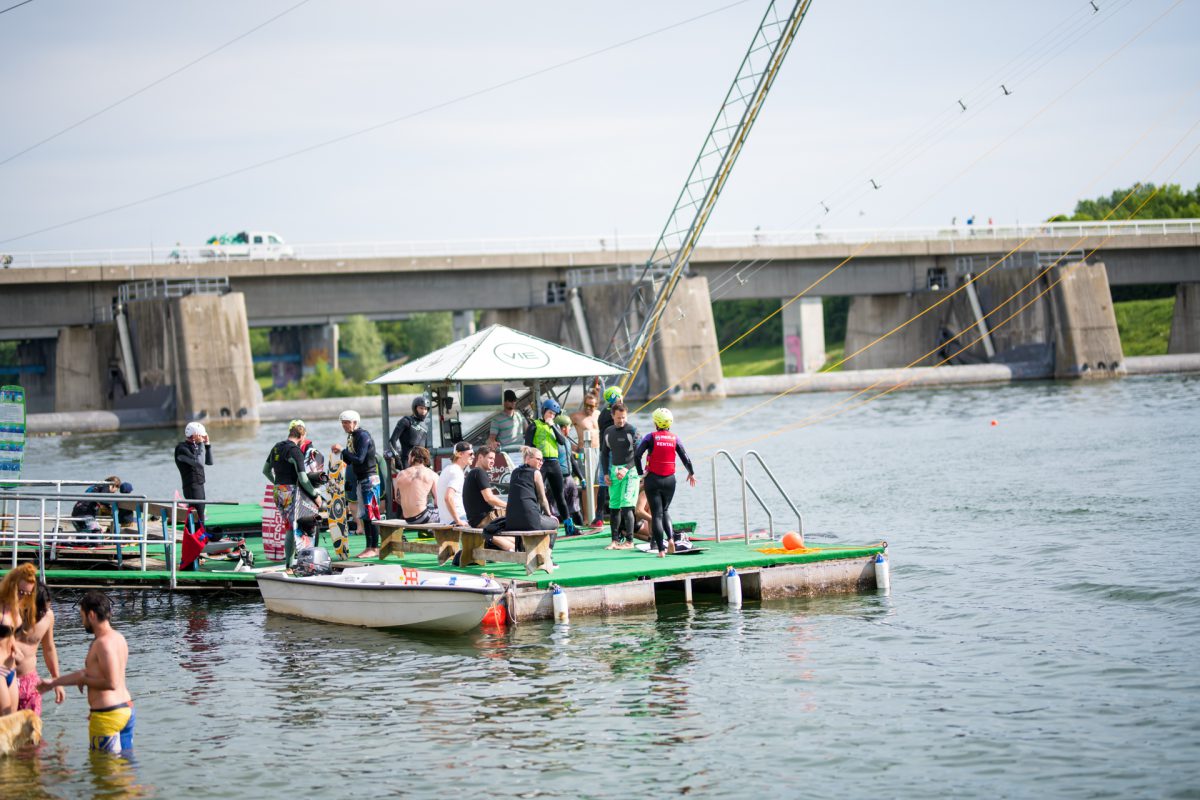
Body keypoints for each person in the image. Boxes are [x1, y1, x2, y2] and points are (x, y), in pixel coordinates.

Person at [38, 590, 134, 756]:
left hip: (108, 715)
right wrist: (54, 682)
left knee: (103, 768)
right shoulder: (119, 638)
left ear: (91, 615)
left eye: (82, 616)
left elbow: (111, 682)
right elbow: (88, 673)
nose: (82, 622)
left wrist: (84, 680)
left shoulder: (103, 643)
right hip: (125, 709)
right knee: (126, 764)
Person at [635, 408, 697, 557]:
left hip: (652, 479)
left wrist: (640, 473)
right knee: (665, 511)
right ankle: (670, 539)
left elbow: (637, 455)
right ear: (670, 423)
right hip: (670, 480)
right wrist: (691, 473)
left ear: (655, 423)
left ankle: (661, 551)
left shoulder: (650, 437)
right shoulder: (675, 438)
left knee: (656, 514)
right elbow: (686, 458)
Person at [262, 421, 321, 567]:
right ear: (301, 436)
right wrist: (315, 495)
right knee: (292, 528)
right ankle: (290, 565)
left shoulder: (276, 447)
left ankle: (291, 563)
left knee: (288, 525)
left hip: (277, 491)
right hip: (290, 492)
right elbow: (303, 478)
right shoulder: (295, 451)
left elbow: (266, 471)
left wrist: (278, 483)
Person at [13, 569, 64, 716]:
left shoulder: (48, 617)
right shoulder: (8, 616)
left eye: (44, 610)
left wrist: (56, 680)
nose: (41, 615)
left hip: (29, 683)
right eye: (39, 611)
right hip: (5, 681)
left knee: (32, 728)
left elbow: (49, 648)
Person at [332, 410, 381, 559]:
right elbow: (350, 460)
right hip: (361, 480)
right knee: (365, 516)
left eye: (347, 422)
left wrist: (343, 450)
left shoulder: (363, 436)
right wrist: (339, 454)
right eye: (343, 423)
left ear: (355, 422)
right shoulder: (352, 437)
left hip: (370, 479)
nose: (344, 425)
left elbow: (359, 459)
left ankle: (374, 548)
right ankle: (369, 547)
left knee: (371, 516)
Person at [524, 399, 570, 531]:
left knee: (560, 496)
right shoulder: (534, 425)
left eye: (554, 414)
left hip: (554, 463)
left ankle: (569, 525)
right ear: (544, 411)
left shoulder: (554, 426)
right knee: (537, 494)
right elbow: (528, 446)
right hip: (540, 463)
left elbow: (562, 441)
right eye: (550, 413)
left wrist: (553, 426)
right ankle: (535, 523)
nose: (551, 416)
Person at [600, 402, 640, 549]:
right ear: (612, 416)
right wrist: (605, 473)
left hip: (630, 471)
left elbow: (638, 455)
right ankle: (615, 541)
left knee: (627, 506)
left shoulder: (632, 430)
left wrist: (626, 469)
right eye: (618, 418)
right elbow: (604, 454)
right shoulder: (608, 431)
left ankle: (629, 541)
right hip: (614, 470)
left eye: (623, 417)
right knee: (614, 506)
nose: (621, 421)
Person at [0, 563, 38, 716]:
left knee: (13, 719)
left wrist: (15, 647)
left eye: (28, 593)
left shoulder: (17, 607)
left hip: (11, 669)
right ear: (11, 585)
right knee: (5, 719)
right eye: (21, 592)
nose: (23, 596)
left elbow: (10, 637)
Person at [463, 446, 515, 551]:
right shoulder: (480, 472)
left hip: (476, 520)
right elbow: (489, 498)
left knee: (516, 536)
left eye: (494, 459)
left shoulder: (473, 473)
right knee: (518, 518)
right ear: (480, 457)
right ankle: (516, 547)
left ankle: (513, 546)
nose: (493, 461)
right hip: (484, 519)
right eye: (490, 458)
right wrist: (509, 506)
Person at [505, 446, 559, 540]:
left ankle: (521, 548)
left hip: (511, 522)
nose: (541, 462)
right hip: (530, 521)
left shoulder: (514, 472)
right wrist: (549, 515)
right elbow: (542, 499)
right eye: (538, 459)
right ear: (527, 459)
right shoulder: (536, 473)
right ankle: (548, 549)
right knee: (555, 523)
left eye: (542, 460)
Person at [570, 391, 601, 523]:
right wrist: (571, 446)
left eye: (591, 406)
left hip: (598, 451)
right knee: (586, 485)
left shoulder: (598, 414)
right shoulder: (576, 416)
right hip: (585, 451)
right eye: (586, 405)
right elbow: (561, 427)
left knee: (597, 484)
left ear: (596, 405)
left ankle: (594, 517)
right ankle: (587, 518)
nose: (588, 408)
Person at [594, 385, 623, 524]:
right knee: (619, 481)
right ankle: (620, 515)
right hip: (615, 451)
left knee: (603, 482)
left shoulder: (602, 413)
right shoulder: (616, 413)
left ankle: (599, 516)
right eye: (620, 395)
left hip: (603, 450)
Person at [174, 421, 212, 526]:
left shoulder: (195, 446)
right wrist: (201, 444)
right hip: (192, 487)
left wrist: (207, 444)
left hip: (199, 485)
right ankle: (198, 535)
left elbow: (209, 462)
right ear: (194, 435)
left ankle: (198, 534)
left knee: (200, 516)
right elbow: (199, 464)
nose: (203, 438)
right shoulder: (182, 449)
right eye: (201, 436)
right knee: (198, 518)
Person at [393, 446, 438, 524]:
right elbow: (437, 502)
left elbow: (397, 498)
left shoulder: (401, 474)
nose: (408, 459)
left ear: (413, 458)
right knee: (451, 514)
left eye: (409, 457)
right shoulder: (432, 474)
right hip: (423, 517)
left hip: (408, 518)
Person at [486, 389, 527, 467]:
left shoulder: (519, 414)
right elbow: (491, 439)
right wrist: (493, 442)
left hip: (521, 452)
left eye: (514, 400)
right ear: (504, 402)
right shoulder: (496, 419)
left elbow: (527, 430)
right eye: (511, 400)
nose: (513, 402)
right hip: (508, 455)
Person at [436, 441, 474, 527]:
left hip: (446, 520)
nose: (473, 456)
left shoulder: (448, 469)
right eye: (470, 454)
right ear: (460, 454)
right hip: (457, 518)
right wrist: (458, 520)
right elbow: (448, 497)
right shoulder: (456, 472)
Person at [388, 396, 430, 473]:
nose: (423, 411)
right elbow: (392, 440)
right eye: (421, 408)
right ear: (415, 408)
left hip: (421, 464)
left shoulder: (425, 426)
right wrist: (397, 458)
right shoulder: (405, 421)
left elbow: (426, 448)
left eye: (425, 409)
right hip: (407, 462)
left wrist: (428, 462)